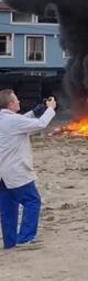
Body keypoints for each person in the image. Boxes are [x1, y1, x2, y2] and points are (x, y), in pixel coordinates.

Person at [0, 90, 57, 250]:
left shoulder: (5, 119)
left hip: (3, 175)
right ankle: (25, 238)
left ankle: (10, 242)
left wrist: (35, 111)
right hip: (16, 172)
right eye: (16, 100)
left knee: (8, 209)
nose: (19, 101)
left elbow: (20, 122)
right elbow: (40, 125)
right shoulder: (12, 121)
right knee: (32, 201)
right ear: (10, 104)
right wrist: (50, 109)